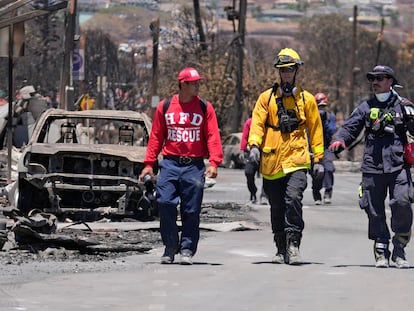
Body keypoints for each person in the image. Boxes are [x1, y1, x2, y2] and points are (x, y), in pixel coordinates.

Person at [329, 65, 414, 269]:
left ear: (390, 81)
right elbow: (349, 128)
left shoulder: (404, 106)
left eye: (380, 78)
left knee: (402, 202)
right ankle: (381, 247)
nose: (375, 82)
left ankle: (399, 247)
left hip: (398, 165)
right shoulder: (365, 107)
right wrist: (340, 141)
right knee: (373, 209)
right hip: (372, 166)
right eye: (372, 79)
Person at [139, 67, 223, 265]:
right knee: (165, 202)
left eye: (198, 82)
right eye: (193, 83)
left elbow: (212, 135)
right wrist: (149, 164)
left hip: (193, 166)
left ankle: (186, 248)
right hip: (169, 163)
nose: (197, 86)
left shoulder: (204, 107)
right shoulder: (165, 106)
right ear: (182, 84)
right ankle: (170, 246)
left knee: (191, 210)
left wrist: (214, 162)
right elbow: (156, 137)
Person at [248, 48, 324, 265]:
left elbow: (316, 129)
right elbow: (257, 123)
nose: (287, 74)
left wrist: (318, 159)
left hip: (297, 160)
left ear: (296, 70)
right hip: (272, 163)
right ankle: (280, 248)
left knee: (293, 198)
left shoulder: (306, 100)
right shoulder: (266, 98)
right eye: (283, 70)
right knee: (277, 207)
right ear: (278, 72)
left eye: (290, 70)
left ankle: (293, 245)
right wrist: (254, 145)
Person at [311, 93, 337, 205]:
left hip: (326, 147)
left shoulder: (330, 117)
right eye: (319, 106)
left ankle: (328, 191)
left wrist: (324, 123)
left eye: (323, 106)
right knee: (316, 172)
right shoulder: (310, 116)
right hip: (313, 147)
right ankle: (316, 194)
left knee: (329, 168)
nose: (321, 109)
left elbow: (332, 130)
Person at [240, 115, 268, 205]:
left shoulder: (269, 121)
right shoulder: (249, 122)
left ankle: (264, 195)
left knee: (267, 175)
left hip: (266, 152)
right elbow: (245, 136)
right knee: (249, 172)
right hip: (252, 151)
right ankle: (253, 192)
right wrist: (242, 149)